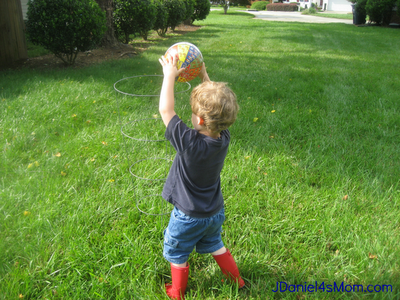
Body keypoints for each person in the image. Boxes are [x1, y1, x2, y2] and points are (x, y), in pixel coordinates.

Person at [158, 53, 244, 300]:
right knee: (216, 244)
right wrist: (204, 77)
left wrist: (169, 76)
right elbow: (216, 112)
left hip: (188, 216)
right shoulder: (223, 137)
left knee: (177, 251)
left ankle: (177, 292)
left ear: (201, 120)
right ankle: (236, 280)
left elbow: (166, 109)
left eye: (194, 112)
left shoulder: (189, 143)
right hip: (214, 212)